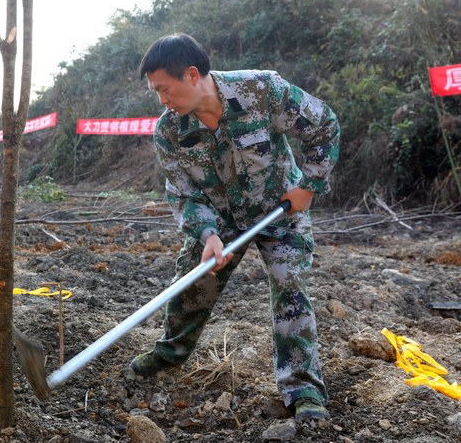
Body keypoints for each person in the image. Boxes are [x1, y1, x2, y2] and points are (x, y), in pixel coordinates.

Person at [132, 33, 340, 422]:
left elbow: (324, 126)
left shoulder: (262, 90)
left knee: (288, 282)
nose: (161, 99)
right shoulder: (169, 132)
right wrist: (208, 235)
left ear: (192, 75)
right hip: (220, 219)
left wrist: (308, 186)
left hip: (280, 211)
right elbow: (183, 194)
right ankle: (171, 352)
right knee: (192, 280)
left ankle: (303, 388)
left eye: (164, 89)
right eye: (155, 92)